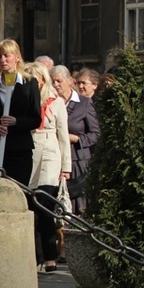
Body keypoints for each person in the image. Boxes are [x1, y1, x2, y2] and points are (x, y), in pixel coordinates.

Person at [23, 62, 71, 273]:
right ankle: (33, 256)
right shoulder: (24, 100)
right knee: (29, 207)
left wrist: (65, 166)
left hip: (50, 154)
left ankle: (50, 255)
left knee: (45, 205)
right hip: (29, 151)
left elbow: (63, 135)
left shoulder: (56, 102)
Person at [0, 39, 41, 184]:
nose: (3, 60)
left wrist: (16, 121)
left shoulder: (30, 83)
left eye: (7, 56)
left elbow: (36, 119)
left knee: (16, 191)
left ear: (17, 57)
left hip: (19, 149)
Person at [50, 65, 100, 216]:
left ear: (70, 81)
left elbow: (95, 133)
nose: (56, 85)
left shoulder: (83, 103)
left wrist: (77, 139)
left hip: (77, 161)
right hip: (56, 159)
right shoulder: (50, 102)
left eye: (59, 81)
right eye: (53, 82)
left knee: (78, 204)